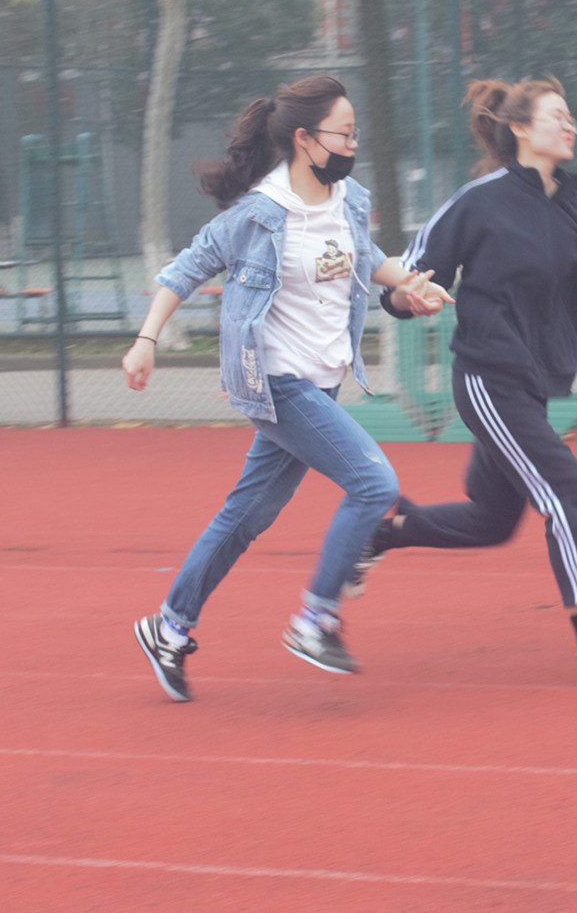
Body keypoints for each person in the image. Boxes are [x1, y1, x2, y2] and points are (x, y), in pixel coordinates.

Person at [128, 75, 449, 702]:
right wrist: (146, 340)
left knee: (247, 516)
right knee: (375, 484)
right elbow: (183, 271)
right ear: (305, 138)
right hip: (276, 382)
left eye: (355, 133)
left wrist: (411, 284)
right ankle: (315, 619)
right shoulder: (259, 213)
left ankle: (168, 627)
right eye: (343, 134)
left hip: (322, 385)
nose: (353, 143)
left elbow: (366, 259)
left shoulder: (346, 198)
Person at [360, 77, 577, 679]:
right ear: (520, 128)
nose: (569, 125)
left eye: (571, 117)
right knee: (567, 492)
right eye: (556, 115)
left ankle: (380, 533)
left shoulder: (571, 201)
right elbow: (408, 277)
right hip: (488, 378)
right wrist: (410, 298)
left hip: (533, 383)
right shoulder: (479, 201)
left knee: (491, 520)